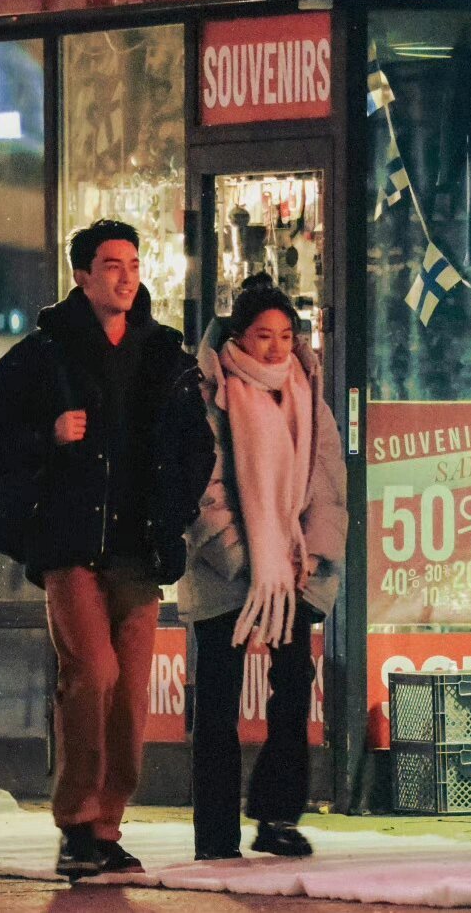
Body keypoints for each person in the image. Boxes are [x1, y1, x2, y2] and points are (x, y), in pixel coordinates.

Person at [0, 219, 213, 878]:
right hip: (70, 545)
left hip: (139, 550)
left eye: (133, 264)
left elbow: (197, 445)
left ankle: (106, 825)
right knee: (93, 672)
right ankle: (75, 822)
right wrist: (46, 434)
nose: (125, 276)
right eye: (110, 265)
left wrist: (176, 513)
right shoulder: (46, 353)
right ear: (81, 275)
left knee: (130, 696)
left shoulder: (162, 353)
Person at [179, 276, 348, 861]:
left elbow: (326, 482)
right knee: (218, 700)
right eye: (262, 335)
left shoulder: (306, 391)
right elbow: (204, 487)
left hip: (292, 569)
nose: (276, 348)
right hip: (222, 570)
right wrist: (244, 560)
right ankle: (216, 833)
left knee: (294, 687)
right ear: (238, 338)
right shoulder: (210, 392)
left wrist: (312, 554)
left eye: (285, 335)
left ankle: (277, 816)